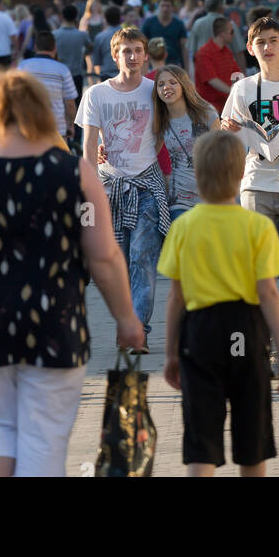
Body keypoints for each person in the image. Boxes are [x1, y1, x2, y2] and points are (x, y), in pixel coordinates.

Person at [0, 68, 143, 477]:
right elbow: (104, 257)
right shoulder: (76, 173)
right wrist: (126, 318)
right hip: (54, 322)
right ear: (42, 111)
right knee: (44, 437)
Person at [158, 130, 279, 477]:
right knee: (252, 439)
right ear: (240, 175)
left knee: (202, 438)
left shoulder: (184, 227)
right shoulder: (258, 227)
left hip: (200, 331)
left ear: (199, 175)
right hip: (246, 330)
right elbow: (269, 294)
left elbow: (176, 297)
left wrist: (171, 352)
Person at [221, 16, 279, 373]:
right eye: (260, 42)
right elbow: (228, 134)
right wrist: (228, 129)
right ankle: (271, 341)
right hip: (256, 183)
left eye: (273, 40)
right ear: (250, 48)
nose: (268, 47)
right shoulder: (243, 89)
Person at [76, 25, 170, 350]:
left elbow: (170, 126)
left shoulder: (155, 90)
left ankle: (138, 331)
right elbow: (87, 146)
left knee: (142, 259)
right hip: (109, 187)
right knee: (116, 263)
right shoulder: (97, 94)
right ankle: (126, 324)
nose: (131, 57)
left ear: (146, 55)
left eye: (137, 51)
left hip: (147, 183)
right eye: (125, 51)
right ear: (115, 55)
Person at [152, 66, 219, 220]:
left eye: (172, 82)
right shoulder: (161, 121)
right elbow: (148, 154)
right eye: (161, 84)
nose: (166, 87)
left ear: (183, 84)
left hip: (209, 195)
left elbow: (220, 153)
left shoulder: (206, 112)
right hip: (179, 200)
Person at [18, 30, 78, 142]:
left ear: (35, 47)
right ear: (54, 48)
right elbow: (70, 104)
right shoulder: (62, 69)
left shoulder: (23, 67)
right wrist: (70, 125)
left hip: (29, 129)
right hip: (56, 130)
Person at [187, 0, 245, 82]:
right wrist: (243, 76)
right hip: (226, 75)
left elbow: (192, 52)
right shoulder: (230, 24)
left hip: (203, 76)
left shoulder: (198, 23)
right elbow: (239, 53)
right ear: (222, 6)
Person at [193, 15, 241, 113]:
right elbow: (212, 80)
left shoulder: (226, 50)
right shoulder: (204, 53)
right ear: (222, 34)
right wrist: (234, 92)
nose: (233, 35)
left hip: (227, 105)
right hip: (211, 109)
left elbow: (236, 73)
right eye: (232, 32)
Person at [54, 4, 90, 100]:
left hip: (60, 73)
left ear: (62, 16)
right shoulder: (82, 35)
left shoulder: (55, 35)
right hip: (77, 72)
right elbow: (91, 48)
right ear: (76, 17)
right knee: (77, 103)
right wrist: (83, 53)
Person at [141, 0, 189, 70]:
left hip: (174, 65)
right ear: (158, 7)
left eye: (168, 6)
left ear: (173, 7)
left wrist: (186, 69)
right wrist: (144, 68)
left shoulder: (179, 24)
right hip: (153, 65)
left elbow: (184, 47)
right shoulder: (149, 23)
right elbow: (143, 45)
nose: (165, 8)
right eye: (163, 5)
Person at [91, 4, 122, 80]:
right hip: (124, 72)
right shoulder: (128, 34)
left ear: (105, 19)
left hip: (106, 74)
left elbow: (97, 60)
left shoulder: (100, 36)